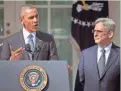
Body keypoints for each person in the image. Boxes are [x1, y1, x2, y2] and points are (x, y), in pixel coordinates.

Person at [74, 18, 120, 91]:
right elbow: (79, 84)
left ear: (110, 34)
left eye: (99, 31)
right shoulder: (85, 54)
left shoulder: (119, 55)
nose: (95, 34)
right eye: (94, 31)